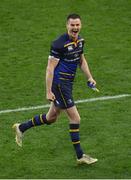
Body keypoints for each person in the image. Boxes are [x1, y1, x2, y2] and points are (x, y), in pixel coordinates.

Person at [13, 13, 98, 165]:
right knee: (75, 118)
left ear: (81, 25)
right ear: (67, 26)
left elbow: (81, 60)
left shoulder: (80, 41)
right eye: (72, 25)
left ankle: (21, 127)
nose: (75, 28)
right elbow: (49, 69)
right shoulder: (59, 44)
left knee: (51, 117)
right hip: (60, 84)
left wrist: (89, 77)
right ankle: (80, 156)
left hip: (68, 84)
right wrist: (48, 91)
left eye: (77, 25)